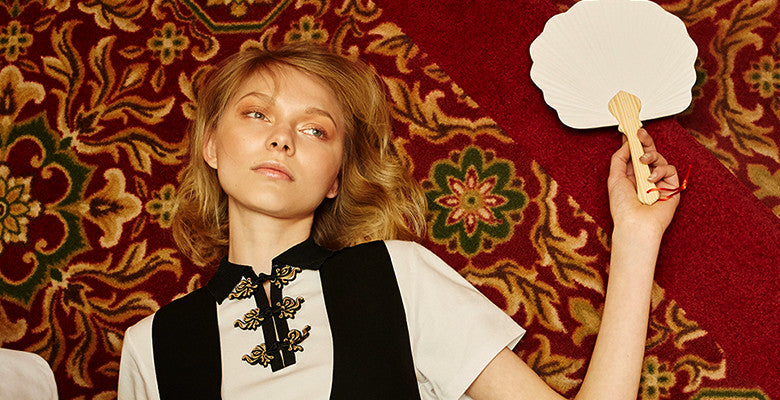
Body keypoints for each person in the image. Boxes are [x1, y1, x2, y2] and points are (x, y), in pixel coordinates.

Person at [118, 41, 681, 400]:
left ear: (336, 177)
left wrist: (636, 235)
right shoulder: (150, 348)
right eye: (257, 113)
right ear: (211, 145)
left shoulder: (397, 276)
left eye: (315, 129)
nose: (281, 137)